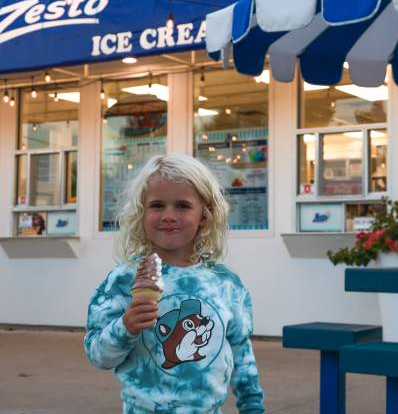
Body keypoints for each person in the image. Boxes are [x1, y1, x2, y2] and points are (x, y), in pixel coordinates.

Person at [84, 153, 265, 414]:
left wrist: (252, 406)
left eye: (182, 206)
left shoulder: (225, 284)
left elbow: (241, 352)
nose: (169, 215)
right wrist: (125, 327)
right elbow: (98, 355)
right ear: (141, 212)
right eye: (157, 205)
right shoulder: (123, 280)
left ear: (205, 214)